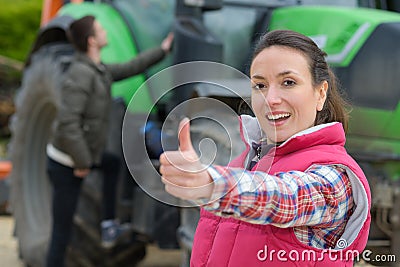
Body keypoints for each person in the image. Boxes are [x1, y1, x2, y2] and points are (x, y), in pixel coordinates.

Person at [159, 30, 371, 266]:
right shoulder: (244, 162)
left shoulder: (335, 177)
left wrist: (211, 183)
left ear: (320, 93)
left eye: (288, 82)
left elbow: (286, 197)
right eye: (259, 85)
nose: (270, 98)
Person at [46, 15, 173, 267]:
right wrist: (81, 162)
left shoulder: (98, 69)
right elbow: (67, 123)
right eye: (100, 29)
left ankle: (108, 225)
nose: (105, 32)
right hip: (66, 163)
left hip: (83, 156)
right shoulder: (80, 75)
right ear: (92, 40)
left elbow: (129, 67)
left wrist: (162, 50)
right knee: (62, 229)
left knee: (112, 163)